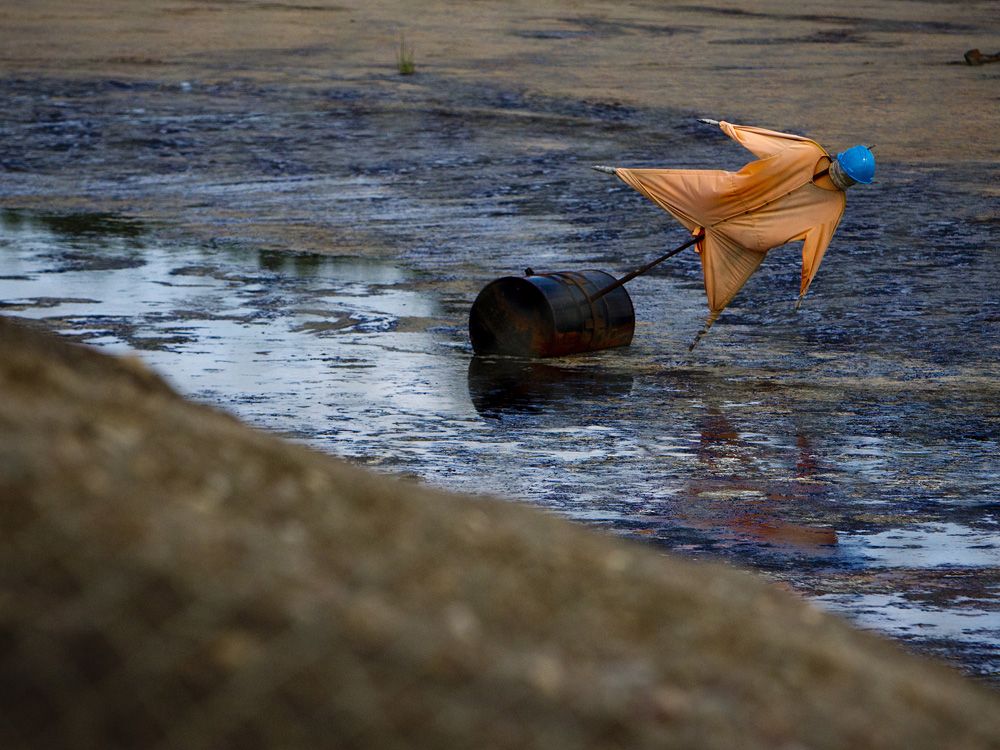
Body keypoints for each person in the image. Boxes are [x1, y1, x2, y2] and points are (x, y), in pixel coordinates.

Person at [594, 120, 875, 348]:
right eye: (847, 176)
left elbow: (817, 246)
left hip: (744, 241)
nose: (843, 181)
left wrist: (805, 283)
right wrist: (726, 127)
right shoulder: (807, 153)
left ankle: (703, 329)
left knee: (720, 296)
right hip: (723, 198)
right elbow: (762, 138)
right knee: (663, 182)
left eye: (850, 180)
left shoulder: (833, 205)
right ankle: (620, 173)